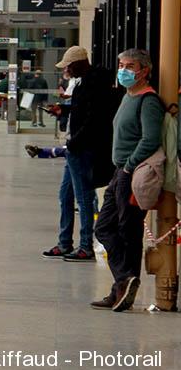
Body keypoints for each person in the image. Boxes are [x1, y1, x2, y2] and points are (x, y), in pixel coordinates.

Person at [92, 49, 166, 312]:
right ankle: (124, 280)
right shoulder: (128, 96)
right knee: (104, 228)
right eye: (121, 65)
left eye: (130, 66)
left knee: (128, 229)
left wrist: (129, 167)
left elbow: (150, 139)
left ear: (144, 70)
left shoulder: (148, 101)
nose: (123, 70)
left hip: (130, 173)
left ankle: (123, 286)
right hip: (119, 171)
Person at [41, 46, 120, 263]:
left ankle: (86, 246)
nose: (66, 70)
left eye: (68, 66)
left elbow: (93, 120)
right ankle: (64, 241)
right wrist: (63, 110)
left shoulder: (94, 85)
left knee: (84, 197)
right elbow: (83, 112)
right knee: (65, 195)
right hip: (76, 148)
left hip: (82, 149)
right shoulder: (85, 84)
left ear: (78, 64)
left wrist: (75, 142)